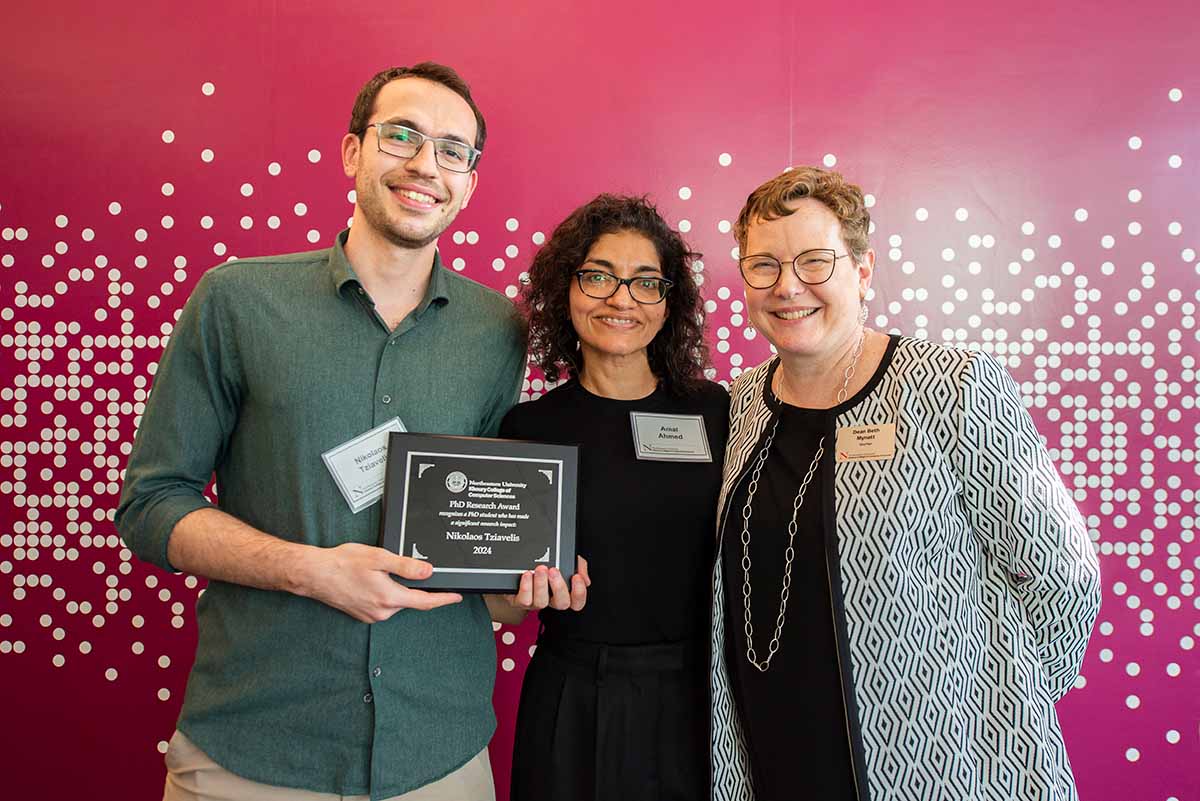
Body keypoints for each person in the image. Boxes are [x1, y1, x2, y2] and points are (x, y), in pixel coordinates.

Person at [117, 63, 582, 801]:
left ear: (469, 180)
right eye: (403, 136)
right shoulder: (237, 300)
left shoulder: (499, 330)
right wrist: (313, 569)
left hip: (440, 755)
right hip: (257, 748)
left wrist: (529, 580)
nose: (426, 164)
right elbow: (150, 504)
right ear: (352, 153)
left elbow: (480, 558)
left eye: (453, 150)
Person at [708, 166, 1101, 801]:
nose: (788, 287)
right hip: (774, 752)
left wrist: (987, 704)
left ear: (862, 272)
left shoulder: (953, 385)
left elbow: (1066, 575)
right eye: (764, 266)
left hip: (939, 767)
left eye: (815, 261)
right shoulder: (740, 405)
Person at [497, 195, 729, 801]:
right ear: (565, 288)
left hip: (703, 696)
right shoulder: (527, 429)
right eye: (598, 276)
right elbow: (504, 608)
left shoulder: (721, 412)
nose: (621, 299)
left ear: (669, 301)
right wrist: (520, 587)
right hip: (573, 695)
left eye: (646, 283)